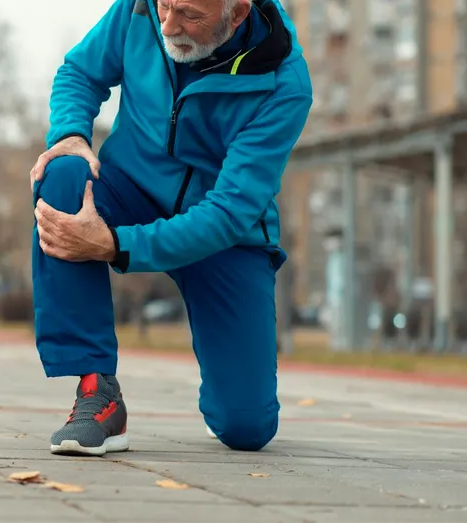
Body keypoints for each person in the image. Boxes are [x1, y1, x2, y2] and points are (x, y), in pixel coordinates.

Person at [29, 0, 312, 456]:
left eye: (189, 16)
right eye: (165, 6)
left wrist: (115, 244)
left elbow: (229, 212)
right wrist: (70, 133)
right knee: (62, 174)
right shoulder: (138, 8)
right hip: (130, 189)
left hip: (223, 234)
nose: (168, 26)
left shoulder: (284, 83)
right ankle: (98, 392)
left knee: (246, 428)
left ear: (238, 13)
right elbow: (80, 71)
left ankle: (229, 400)